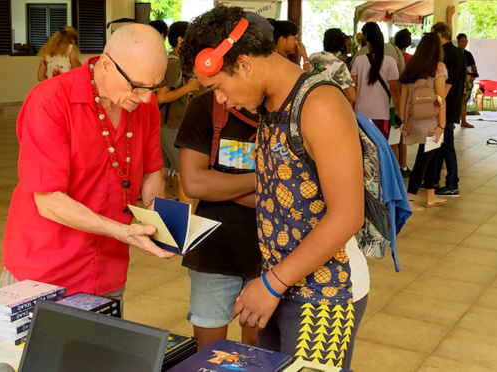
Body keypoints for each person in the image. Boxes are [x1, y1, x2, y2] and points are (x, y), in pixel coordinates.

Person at [180, 6, 368, 369]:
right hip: (279, 286)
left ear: (246, 64)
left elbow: (347, 216)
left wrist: (271, 284)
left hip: (324, 295)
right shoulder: (268, 106)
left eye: (218, 87)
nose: (219, 100)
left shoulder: (319, 104)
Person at [0, 24, 175, 304]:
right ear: (106, 65)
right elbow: (48, 200)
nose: (146, 98)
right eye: (138, 86)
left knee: (100, 348)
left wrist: (158, 218)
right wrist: (122, 231)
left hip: (107, 269)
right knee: (30, 349)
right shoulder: (50, 101)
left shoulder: (145, 105)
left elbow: (152, 170)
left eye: (153, 87)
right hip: (44, 270)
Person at [175, 90, 260, 351]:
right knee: (209, 355)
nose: (222, 93)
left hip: (273, 255)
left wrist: (219, 183)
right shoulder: (205, 107)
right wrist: (263, 181)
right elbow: (194, 184)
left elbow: (290, 196)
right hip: (213, 252)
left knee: (260, 353)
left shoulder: (283, 109)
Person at [399, 33, 448, 211]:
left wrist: (403, 122)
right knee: (424, 159)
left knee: (432, 156)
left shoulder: (411, 67)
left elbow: (403, 97)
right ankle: (409, 200)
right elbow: (440, 98)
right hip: (431, 121)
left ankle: (430, 195)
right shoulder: (438, 68)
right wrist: (442, 125)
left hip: (414, 118)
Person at [156, 21, 200, 204]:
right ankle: (187, 223)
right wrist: (188, 87)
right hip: (171, 126)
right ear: (181, 39)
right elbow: (162, 97)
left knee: (162, 172)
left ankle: (155, 213)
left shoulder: (175, 61)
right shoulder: (172, 63)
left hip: (166, 125)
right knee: (185, 176)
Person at [432, 20, 465, 197]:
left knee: (446, 145)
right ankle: (434, 179)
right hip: (452, 105)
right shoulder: (458, 53)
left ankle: (452, 183)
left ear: (438, 35)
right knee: (441, 145)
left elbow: (448, 83)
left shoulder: (447, 54)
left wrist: (437, 102)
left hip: (446, 106)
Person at [351, 25, 400, 139]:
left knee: (363, 150)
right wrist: (398, 111)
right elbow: (394, 90)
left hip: (360, 113)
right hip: (381, 114)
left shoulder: (359, 60)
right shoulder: (390, 62)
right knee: (380, 149)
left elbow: (353, 87)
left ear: (368, 43)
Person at [309, 28, 356, 106]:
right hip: (329, 107)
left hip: (310, 104)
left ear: (324, 43)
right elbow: (352, 97)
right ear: (341, 46)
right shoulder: (338, 64)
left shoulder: (312, 57)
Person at [394, 28, 413, 178]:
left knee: (394, 136)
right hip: (407, 99)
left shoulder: (394, 57)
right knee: (403, 136)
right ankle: (404, 165)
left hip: (395, 98)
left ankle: (396, 166)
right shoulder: (410, 59)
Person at [457, 33, 479, 129]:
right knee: (454, 101)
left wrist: (473, 76)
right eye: (462, 41)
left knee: (464, 101)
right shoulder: (455, 53)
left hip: (467, 82)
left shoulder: (468, 54)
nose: (464, 43)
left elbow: (473, 67)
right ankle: (450, 122)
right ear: (458, 42)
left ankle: (464, 121)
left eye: (466, 41)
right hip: (457, 81)